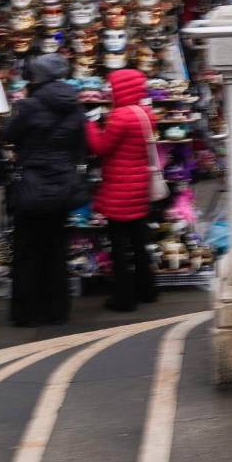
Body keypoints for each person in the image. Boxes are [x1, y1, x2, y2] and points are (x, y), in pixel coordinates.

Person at [3, 54, 85, 326]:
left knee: (27, 250)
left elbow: (8, 135)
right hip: (62, 185)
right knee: (56, 248)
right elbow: (80, 147)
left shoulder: (28, 106)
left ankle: (27, 313)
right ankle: (57, 310)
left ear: (37, 76)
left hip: (31, 185)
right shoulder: (75, 106)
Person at [84, 68, 157, 312]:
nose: (110, 91)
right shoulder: (146, 114)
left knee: (119, 246)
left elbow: (100, 148)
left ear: (121, 89)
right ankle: (147, 290)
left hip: (119, 188)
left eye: (112, 87)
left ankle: (124, 298)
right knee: (138, 242)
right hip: (140, 185)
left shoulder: (120, 116)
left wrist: (91, 125)